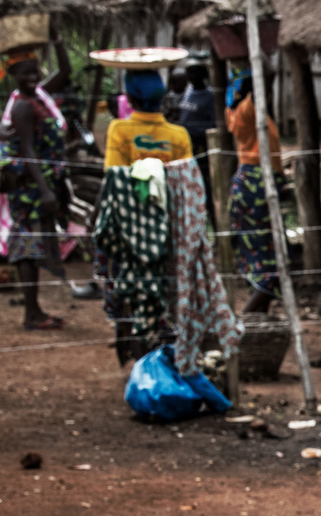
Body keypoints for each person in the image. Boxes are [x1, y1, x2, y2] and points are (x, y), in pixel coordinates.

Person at [98, 68, 193, 363]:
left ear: (130, 97)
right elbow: (184, 185)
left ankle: (136, 359)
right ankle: (162, 360)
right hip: (167, 228)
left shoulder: (119, 130)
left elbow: (114, 177)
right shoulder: (178, 135)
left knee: (129, 289)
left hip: (129, 229)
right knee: (162, 294)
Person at [0, 27, 72, 330]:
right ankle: (31, 314)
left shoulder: (38, 95)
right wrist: (45, 191)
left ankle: (35, 311)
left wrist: (58, 39)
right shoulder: (24, 105)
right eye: (25, 73)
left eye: (35, 71)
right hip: (28, 187)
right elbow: (27, 150)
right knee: (26, 244)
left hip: (37, 182)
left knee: (32, 242)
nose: (32, 77)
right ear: (14, 76)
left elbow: (64, 70)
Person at [224, 65, 284, 314]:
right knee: (271, 264)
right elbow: (267, 75)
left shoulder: (239, 112)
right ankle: (244, 323)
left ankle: (257, 322)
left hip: (251, 182)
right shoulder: (246, 110)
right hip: (257, 183)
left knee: (263, 257)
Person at [176, 58, 217, 219]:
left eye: (195, 72)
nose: (191, 76)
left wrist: (192, 129)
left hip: (201, 147)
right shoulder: (188, 92)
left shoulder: (210, 96)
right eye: (189, 72)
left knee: (204, 183)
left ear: (204, 74)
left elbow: (213, 123)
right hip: (186, 146)